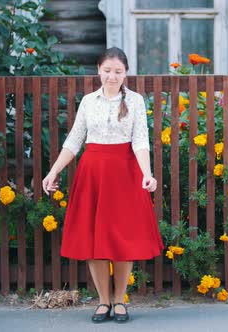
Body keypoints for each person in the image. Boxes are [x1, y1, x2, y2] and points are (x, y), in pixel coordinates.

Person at [42, 47, 163, 323]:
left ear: (125, 73)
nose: (112, 76)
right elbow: (74, 140)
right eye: (107, 70)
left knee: (122, 240)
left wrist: (148, 173)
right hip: (92, 174)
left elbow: (140, 140)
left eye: (118, 72)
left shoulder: (135, 101)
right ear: (98, 70)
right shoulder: (88, 101)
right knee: (93, 238)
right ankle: (103, 301)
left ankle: (120, 301)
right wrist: (53, 171)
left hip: (125, 175)